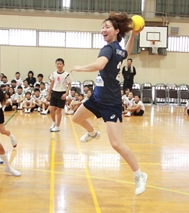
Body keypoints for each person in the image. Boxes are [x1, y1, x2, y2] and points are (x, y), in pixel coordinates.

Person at [70, 12, 147, 195]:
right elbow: (127, 52)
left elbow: (99, 65)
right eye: (102, 26)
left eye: (107, 27)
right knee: (76, 118)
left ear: (116, 31)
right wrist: (134, 35)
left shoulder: (108, 49)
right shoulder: (118, 49)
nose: (103, 29)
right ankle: (93, 132)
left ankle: (139, 175)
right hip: (97, 98)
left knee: (117, 144)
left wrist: (80, 67)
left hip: (111, 103)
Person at [47, 58, 72, 132]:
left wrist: (66, 94)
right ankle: (54, 122)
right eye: (57, 64)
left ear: (63, 65)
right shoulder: (53, 74)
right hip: (54, 92)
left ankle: (57, 126)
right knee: (51, 109)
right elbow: (52, 83)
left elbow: (69, 84)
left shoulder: (66, 74)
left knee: (59, 110)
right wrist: (49, 94)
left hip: (62, 93)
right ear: (56, 65)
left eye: (60, 64)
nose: (59, 65)